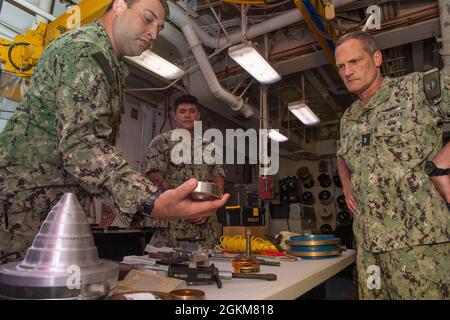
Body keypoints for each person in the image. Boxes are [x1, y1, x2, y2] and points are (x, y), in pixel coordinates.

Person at [0, 0, 229, 264]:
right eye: (147, 18)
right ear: (119, 5)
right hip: (25, 206)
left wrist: (109, 197)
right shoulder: (85, 52)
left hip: (54, 204)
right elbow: (81, 146)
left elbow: (92, 146)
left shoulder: (110, 65)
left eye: (159, 27)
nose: (153, 33)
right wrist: (150, 200)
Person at [335, 31, 450, 299]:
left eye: (355, 61)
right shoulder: (349, 117)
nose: (347, 72)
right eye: (341, 66)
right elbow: (341, 153)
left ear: (377, 58)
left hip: (419, 247)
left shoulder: (416, 89)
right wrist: (346, 185)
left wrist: (443, 162)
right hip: (369, 251)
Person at [145, 94, 226, 248]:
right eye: (182, 111)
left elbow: (219, 178)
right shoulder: (162, 142)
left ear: (198, 115)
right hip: (171, 228)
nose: (187, 115)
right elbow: (155, 176)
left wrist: (210, 206)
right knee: (164, 270)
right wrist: (184, 204)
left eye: (192, 111)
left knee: (205, 269)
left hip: (204, 229)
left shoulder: (210, 146)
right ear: (174, 115)